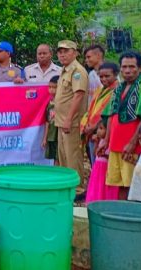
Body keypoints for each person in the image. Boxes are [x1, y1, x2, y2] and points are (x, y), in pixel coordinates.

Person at [99, 51, 141, 201]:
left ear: (140, 68)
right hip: (116, 145)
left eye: (132, 67)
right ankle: (123, 215)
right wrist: (106, 140)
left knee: (133, 184)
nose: (128, 70)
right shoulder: (118, 89)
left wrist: (132, 142)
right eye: (124, 67)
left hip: (133, 147)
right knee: (120, 184)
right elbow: (111, 115)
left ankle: (134, 216)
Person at [53, 40, 89, 200]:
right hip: (61, 121)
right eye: (60, 51)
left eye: (66, 51)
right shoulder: (65, 71)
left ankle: (78, 189)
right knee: (63, 157)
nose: (62, 54)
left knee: (73, 156)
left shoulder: (77, 71)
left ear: (75, 52)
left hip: (71, 122)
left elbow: (78, 95)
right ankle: (66, 186)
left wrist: (68, 119)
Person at [81, 62, 119, 166]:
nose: (103, 79)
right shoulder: (100, 90)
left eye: (107, 76)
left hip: (105, 133)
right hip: (92, 131)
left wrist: (93, 127)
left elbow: (108, 114)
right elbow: (91, 110)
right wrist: (86, 125)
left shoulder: (117, 91)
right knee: (95, 163)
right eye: (101, 76)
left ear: (116, 75)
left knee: (103, 165)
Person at [85, 120, 119, 203]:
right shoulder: (100, 141)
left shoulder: (110, 143)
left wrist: (104, 154)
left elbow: (110, 156)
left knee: (104, 186)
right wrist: (96, 143)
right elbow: (94, 153)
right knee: (97, 185)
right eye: (98, 129)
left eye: (101, 128)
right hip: (98, 168)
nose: (98, 131)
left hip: (105, 169)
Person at [42, 75, 59, 162]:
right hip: (51, 135)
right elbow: (47, 121)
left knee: (59, 156)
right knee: (53, 156)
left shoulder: (62, 103)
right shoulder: (49, 103)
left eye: (54, 87)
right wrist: (45, 138)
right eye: (50, 87)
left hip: (59, 135)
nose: (51, 90)